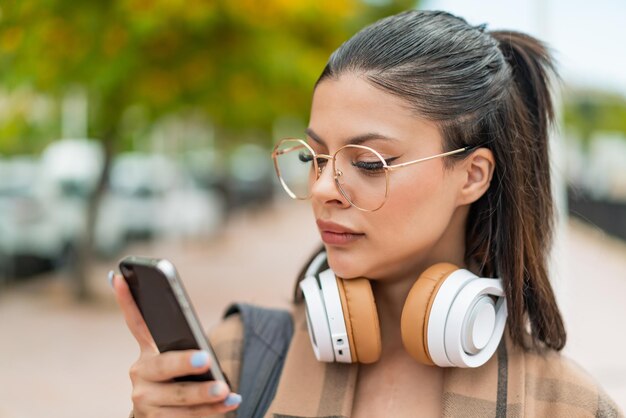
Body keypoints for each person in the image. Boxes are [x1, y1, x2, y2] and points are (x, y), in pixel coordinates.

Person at [112, 9, 623, 418]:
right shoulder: (239, 359)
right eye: (315, 158)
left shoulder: (566, 405)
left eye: (368, 162)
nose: (322, 190)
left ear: (472, 175)